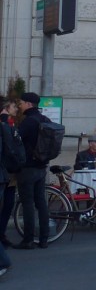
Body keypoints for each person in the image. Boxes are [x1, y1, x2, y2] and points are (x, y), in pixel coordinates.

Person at [14, 91, 49, 249]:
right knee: (41, 202)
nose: (20, 106)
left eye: (21, 103)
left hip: (27, 168)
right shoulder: (44, 119)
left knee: (27, 203)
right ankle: (44, 239)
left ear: (28, 104)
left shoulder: (28, 122)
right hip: (42, 167)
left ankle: (28, 239)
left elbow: (16, 140)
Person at [0, 100, 20, 249]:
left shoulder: (10, 123)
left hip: (10, 171)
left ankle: (2, 233)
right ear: (6, 108)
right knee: (6, 203)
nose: (17, 109)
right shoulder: (4, 123)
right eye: (14, 107)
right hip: (5, 170)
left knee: (8, 203)